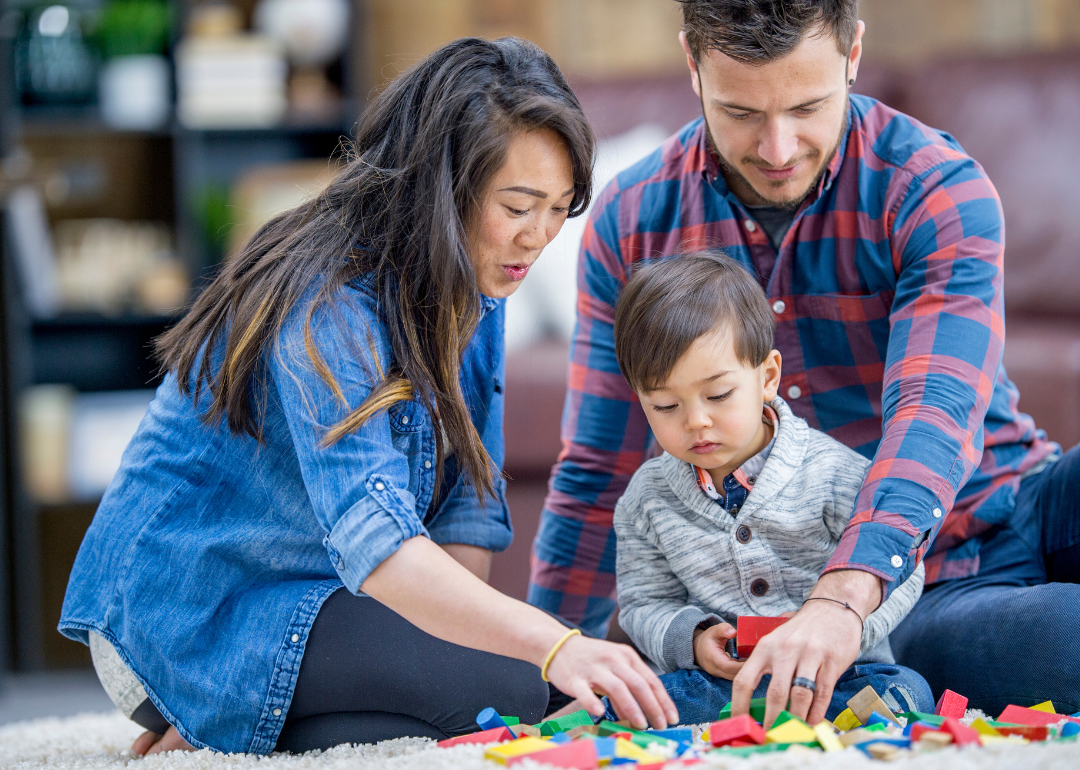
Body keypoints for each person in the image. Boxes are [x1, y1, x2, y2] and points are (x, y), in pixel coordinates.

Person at [59, 37, 677, 756]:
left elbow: (466, 507)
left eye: (558, 210)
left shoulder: (477, 273)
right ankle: (208, 711)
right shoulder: (326, 300)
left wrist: (479, 659)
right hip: (189, 615)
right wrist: (549, 645)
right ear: (442, 186)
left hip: (320, 601)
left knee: (521, 696)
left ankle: (223, 729)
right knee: (529, 683)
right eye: (518, 205)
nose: (536, 237)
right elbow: (378, 544)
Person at [529, 0, 1078, 729]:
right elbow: (597, 472)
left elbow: (930, 415)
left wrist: (839, 596)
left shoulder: (935, 187)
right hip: (913, 596)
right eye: (740, 112)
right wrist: (545, 662)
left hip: (1018, 502)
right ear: (692, 63)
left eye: (808, 107)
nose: (778, 147)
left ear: (853, 51)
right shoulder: (632, 222)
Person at [609, 252, 932, 724]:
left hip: (840, 673)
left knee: (909, 694)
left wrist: (847, 627)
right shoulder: (646, 500)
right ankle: (759, 717)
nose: (695, 421)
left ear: (768, 377)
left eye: (718, 395)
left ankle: (793, 715)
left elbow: (902, 573)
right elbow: (643, 602)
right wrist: (694, 639)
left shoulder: (834, 472)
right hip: (719, 680)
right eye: (664, 405)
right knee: (641, 700)